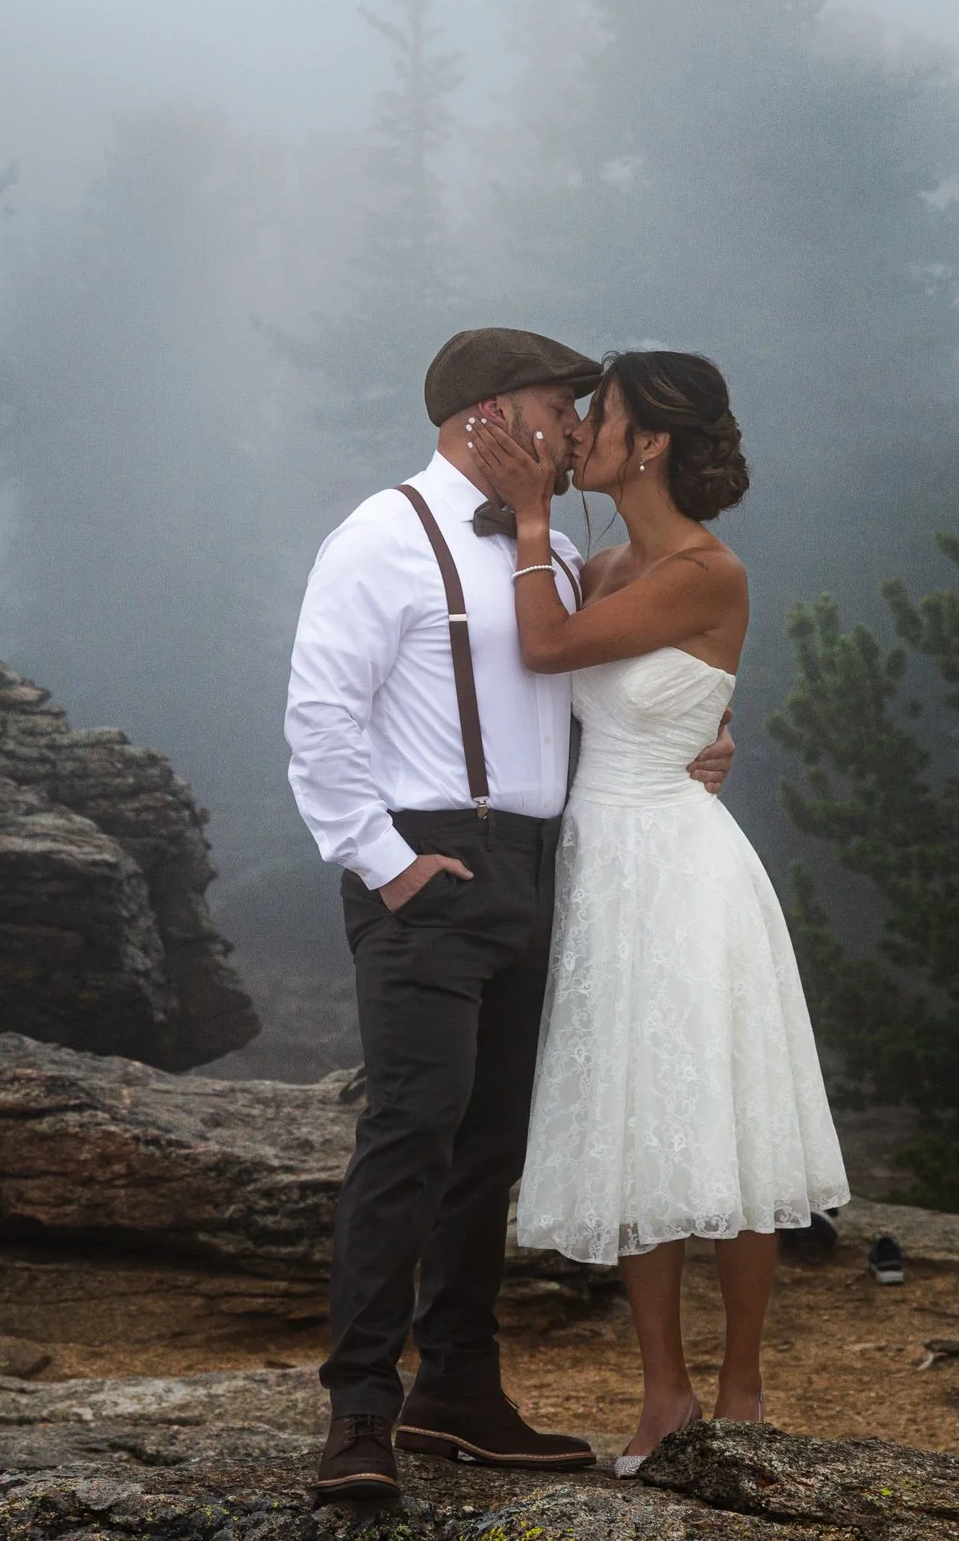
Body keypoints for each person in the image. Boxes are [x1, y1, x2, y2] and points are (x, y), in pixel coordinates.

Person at [285, 327, 736, 1502]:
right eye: (557, 404)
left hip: (542, 865)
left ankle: (460, 1390)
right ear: (486, 415)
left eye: (587, 409)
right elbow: (320, 720)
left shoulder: (561, 552)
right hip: (429, 866)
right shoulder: (380, 536)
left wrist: (702, 733)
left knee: (487, 1149)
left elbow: (596, 687)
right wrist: (386, 864)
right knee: (412, 1132)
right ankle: (360, 1410)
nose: (577, 428)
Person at [470, 349, 848, 1475]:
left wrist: (531, 518)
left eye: (603, 413)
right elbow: (555, 693)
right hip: (601, 863)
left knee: (721, 1118)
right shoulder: (603, 560)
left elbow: (546, 644)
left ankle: (739, 1384)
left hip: (682, 870)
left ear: (651, 444)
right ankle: (662, 1390)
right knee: (637, 1120)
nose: (580, 426)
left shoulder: (705, 569)